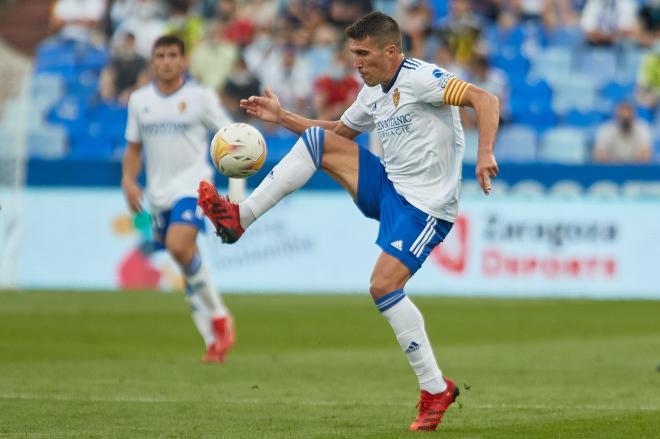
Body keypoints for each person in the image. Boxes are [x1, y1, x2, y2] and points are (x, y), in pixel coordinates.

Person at [198, 11, 499, 431]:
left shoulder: (422, 77)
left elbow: (485, 100)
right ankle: (239, 218)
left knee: (382, 287)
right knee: (319, 142)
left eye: (363, 53)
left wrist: (485, 152)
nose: (356, 62)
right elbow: (337, 133)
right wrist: (282, 117)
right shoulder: (373, 92)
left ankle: (435, 389)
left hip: (425, 207)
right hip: (387, 187)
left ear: (392, 51)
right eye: (352, 53)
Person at [122, 35, 236, 363]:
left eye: (173, 55)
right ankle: (214, 335)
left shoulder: (200, 98)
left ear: (183, 60)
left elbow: (230, 137)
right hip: (157, 194)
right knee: (186, 261)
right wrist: (128, 181)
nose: (167, 61)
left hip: (193, 186)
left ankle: (217, 318)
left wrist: (231, 186)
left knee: (179, 246)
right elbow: (133, 149)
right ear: (153, 61)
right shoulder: (139, 101)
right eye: (160, 55)